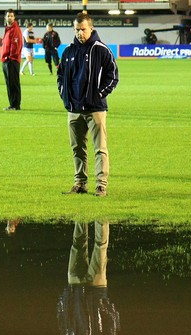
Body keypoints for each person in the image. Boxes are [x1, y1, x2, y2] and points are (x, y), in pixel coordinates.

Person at [57, 13, 119, 197]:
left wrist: (98, 94)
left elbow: (113, 75)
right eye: (77, 30)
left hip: (95, 109)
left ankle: (101, 185)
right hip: (73, 109)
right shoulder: (68, 51)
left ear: (91, 28)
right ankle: (80, 183)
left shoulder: (101, 50)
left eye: (83, 29)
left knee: (100, 148)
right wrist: (64, 95)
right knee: (77, 148)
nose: (80, 33)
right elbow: (60, 75)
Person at [0, 9, 23, 111]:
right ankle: (12, 104)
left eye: (11, 16)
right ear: (5, 17)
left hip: (11, 60)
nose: (10, 17)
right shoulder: (8, 29)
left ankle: (15, 105)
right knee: (9, 83)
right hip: (6, 59)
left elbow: (16, 46)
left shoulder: (15, 29)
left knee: (13, 83)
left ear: (14, 18)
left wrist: (10, 57)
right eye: (8, 16)